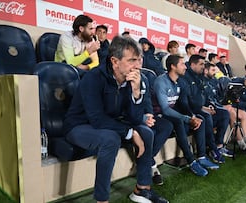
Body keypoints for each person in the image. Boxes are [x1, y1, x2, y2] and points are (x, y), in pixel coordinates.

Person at [62, 35, 169, 203]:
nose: (138, 65)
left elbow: (133, 119)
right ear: (114, 61)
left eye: (139, 60)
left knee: (146, 133)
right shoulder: (93, 77)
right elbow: (97, 119)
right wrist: (130, 133)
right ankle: (102, 200)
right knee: (111, 139)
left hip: (110, 123)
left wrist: (135, 93)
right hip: (79, 126)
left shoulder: (134, 79)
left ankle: (142, 189)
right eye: (132, 60)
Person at [153, 54, 219, 177]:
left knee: (200, 119)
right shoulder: (161, 82)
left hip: (170, 113)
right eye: (182, 64)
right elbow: (165, 110)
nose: (185, 67)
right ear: (173, 66)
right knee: (179, 122)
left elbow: (183, 103)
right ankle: (191, 160)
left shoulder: (180, 82)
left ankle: (201, 156)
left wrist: (192, 116)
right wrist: (187, 119)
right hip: (158, 115)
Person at [183, 55, 229, 163]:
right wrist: (203, 108)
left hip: (201, 108)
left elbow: (203, 97)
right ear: (193, 64)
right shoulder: (186, 77)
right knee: (206, 117)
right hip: (192, 110)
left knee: (224, 114)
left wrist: (209, 106)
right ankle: (211, 149)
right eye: (201, 64)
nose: (203, 67)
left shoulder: (198, 77)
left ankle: (218, 145)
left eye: (204, 64)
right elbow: (189, 100)